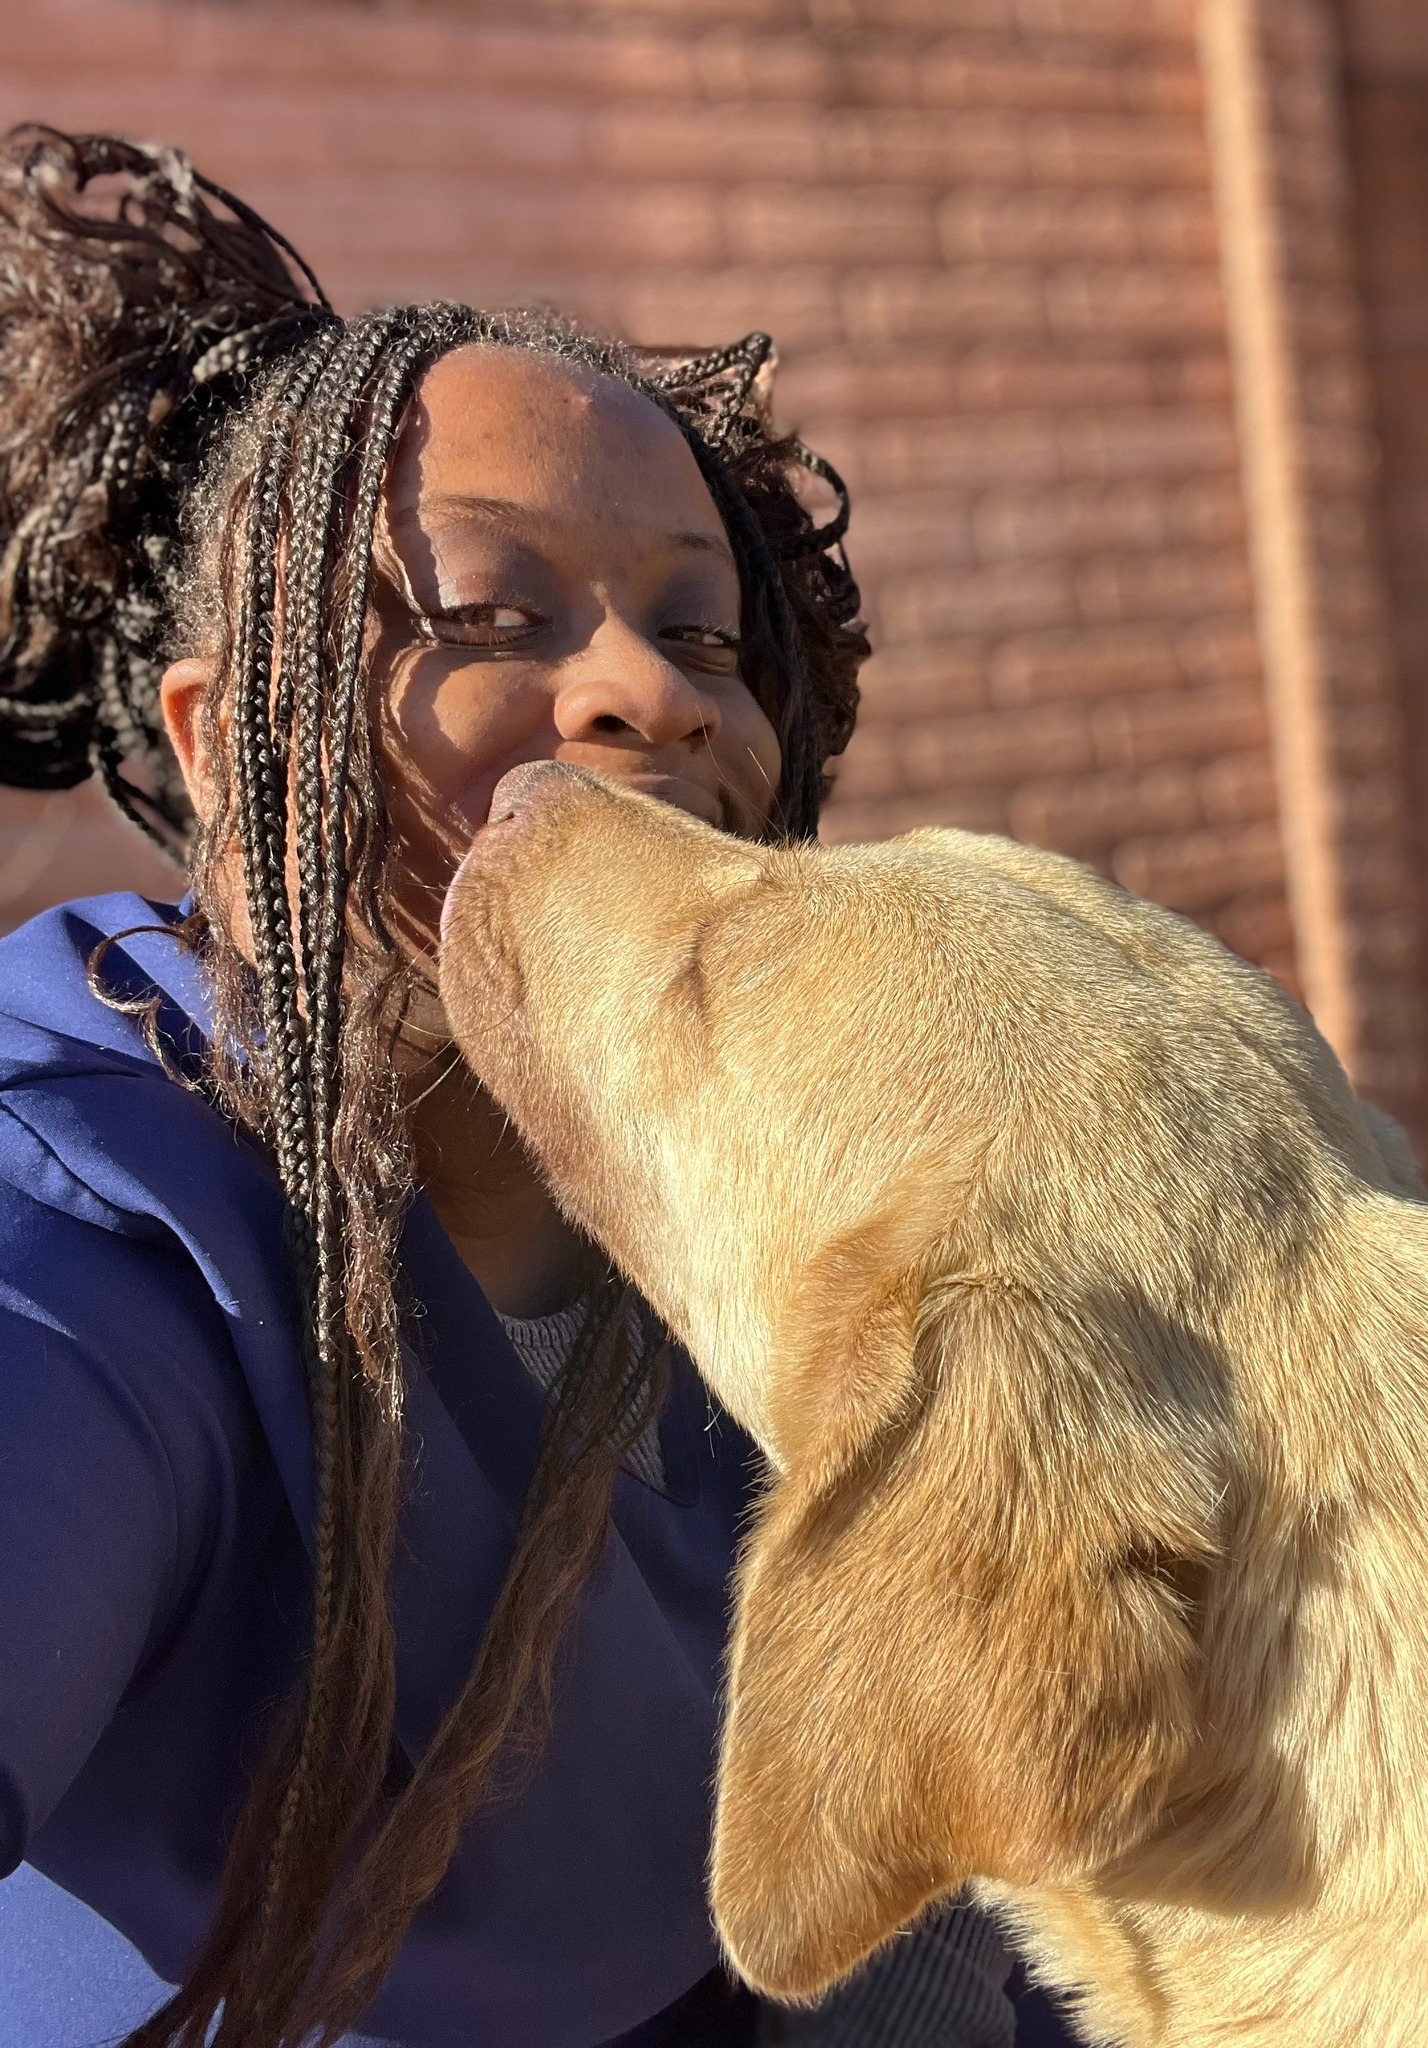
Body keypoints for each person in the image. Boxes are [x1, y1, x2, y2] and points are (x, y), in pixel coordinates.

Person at [0, 129, 1078, 2048]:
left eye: (700, 632)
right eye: (493, 618)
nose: (652, 694)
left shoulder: (819, 1242)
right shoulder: (104, 1212)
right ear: (228, 747)